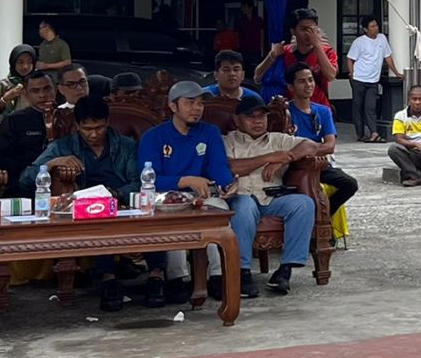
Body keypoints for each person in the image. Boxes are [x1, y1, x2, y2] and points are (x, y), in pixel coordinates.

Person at [25, 95, 148, 310]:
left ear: (108, 122)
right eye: (87, 129)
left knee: (150, 216)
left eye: (99, 128)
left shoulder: (126, 146)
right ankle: (108, 278)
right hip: (85, 209)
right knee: (98, 217)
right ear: (77, 126)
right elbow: (26, 177)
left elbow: (139, 182)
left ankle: (156, 276)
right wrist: (53, 163)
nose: (93, 134)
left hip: (123, 201)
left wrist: (116, 193)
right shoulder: (64, 147)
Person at [139, 81, 238, 302]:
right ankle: (177, 278)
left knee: (218, 211)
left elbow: (218, 166)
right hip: (166, 196)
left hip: (202, 196)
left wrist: (227, 184)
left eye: (200, 103)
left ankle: (218, 276)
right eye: (190, 103)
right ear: (173, 107)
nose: (197, 108)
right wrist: (185, 180)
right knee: (172, 217)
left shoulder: (209, 132)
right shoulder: (153, 137)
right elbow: (148, 179)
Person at [224, 95, 323, 295]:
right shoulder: (227, 140)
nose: (258, 121)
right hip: (239, 197)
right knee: (245, 206)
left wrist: (286, 158)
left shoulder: (277, 139)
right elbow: (230, 166)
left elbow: (313, 146)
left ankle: (284, 271)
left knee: (303, 204)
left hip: (271, 199)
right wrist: (269, 157)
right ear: (237, 120)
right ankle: (242, 272)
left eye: (262, 116)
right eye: (250, 117)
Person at [285, 63, 359, 216]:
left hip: (318, 163)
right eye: (302, 81)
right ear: (291, 87)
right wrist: (309, 149)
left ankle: (322, 216)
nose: (308, 85)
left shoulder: (323, 111)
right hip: (292, 165)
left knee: (350, 184)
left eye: (310, 80)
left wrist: (304, 148)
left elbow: (330, 145)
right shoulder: (285, 112)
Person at [255, 7, 338, 110]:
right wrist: (271, 56)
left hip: (320, 108)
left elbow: (330, 76)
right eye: (304, 29)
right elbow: (257, 77)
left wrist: (317, 46)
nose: (308, 34)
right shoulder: (284, 52)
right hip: (291, 109)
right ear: (293, 31)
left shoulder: (327, 51)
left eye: (312, 29)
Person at [0, 71, 58, 199]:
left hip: (61, 181)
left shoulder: (65, 117)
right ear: (26, 94)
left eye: (47, 89)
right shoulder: (13, 121)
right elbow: (1, 161)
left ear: (56, 89)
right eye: (35, 91)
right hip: (22, 186)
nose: (42, 95)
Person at [346, 16, 399, 142]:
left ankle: (374, 133)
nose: (376, 28)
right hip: (359, 78)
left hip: (373, 80)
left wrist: (396, 72)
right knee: (358, 106)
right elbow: (349, 58)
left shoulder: (382, 39)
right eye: (372, 26)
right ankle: (360, 134)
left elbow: (388, 57)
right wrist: (352, 73)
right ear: (365, 29)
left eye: (376, 25)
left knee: (370, 107)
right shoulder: (359, 42)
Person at [235, 0, 266, 69]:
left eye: (244, 7)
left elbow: (261, 34)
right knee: (245, 67)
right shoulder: (240, 20)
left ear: (250, 7)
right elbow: (237, 35)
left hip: (256, 48)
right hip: (244, 48)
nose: (243, 9)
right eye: (242, 7)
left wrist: (262, 48)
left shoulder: (258, 19)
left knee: (256, 66)